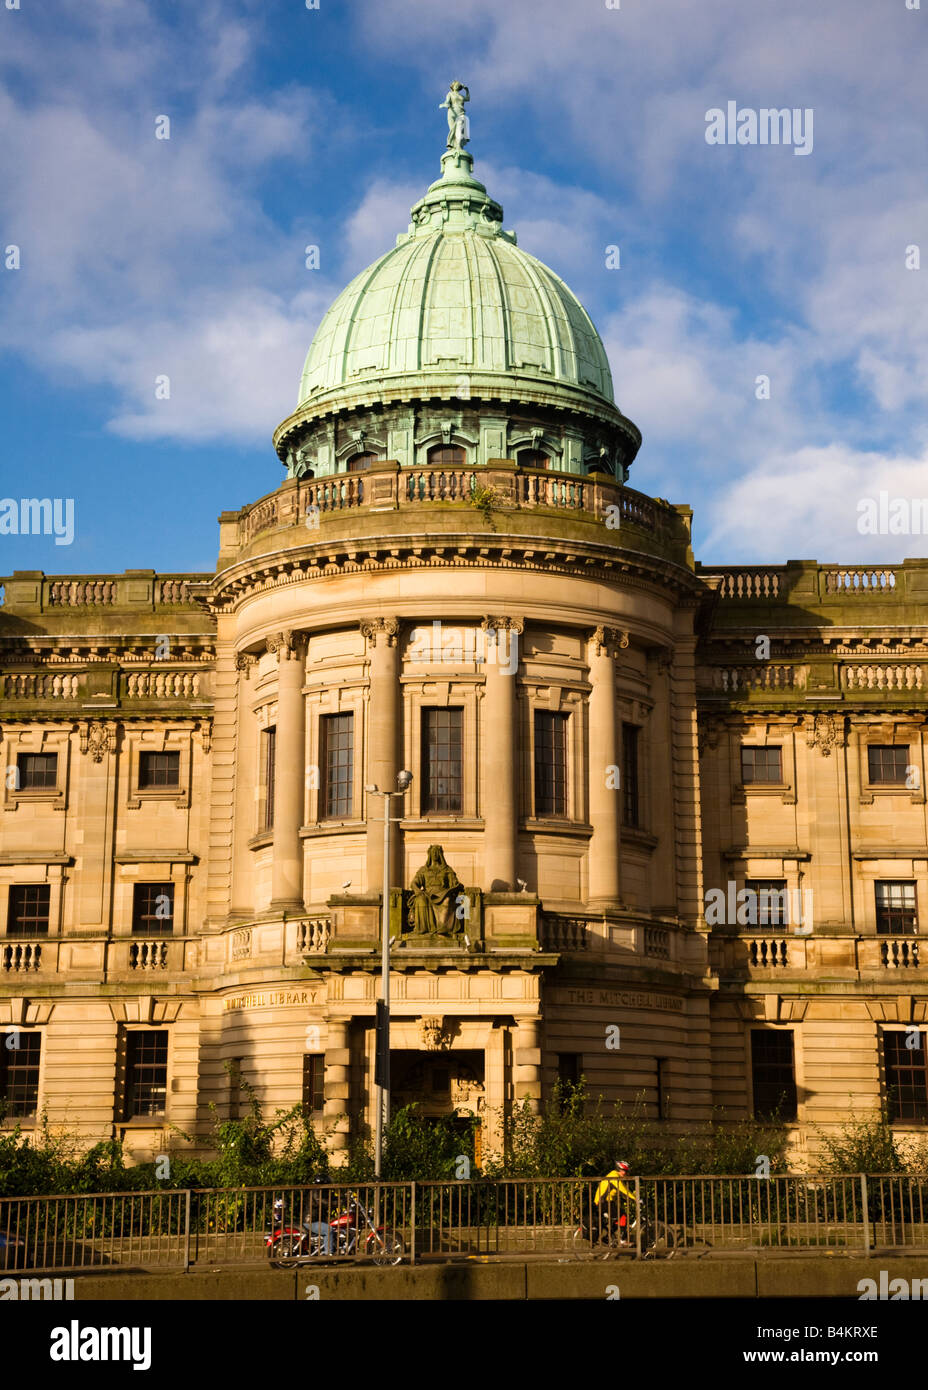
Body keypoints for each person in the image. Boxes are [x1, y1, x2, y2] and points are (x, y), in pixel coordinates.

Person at [593, 1160, 635, 1247]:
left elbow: (620, 1192)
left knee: (618, 1217)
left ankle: (607, 1237)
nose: (625, 1173)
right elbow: (623, 1190)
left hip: (606, 1202)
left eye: (627, 1171)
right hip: (603, 1202)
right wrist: (636, 1199)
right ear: (619, 1169)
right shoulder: (614, 1177)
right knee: (623, 1216)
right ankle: (623, 1240)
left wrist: (627, 1199)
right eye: (624, 1171)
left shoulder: (615, 1176)